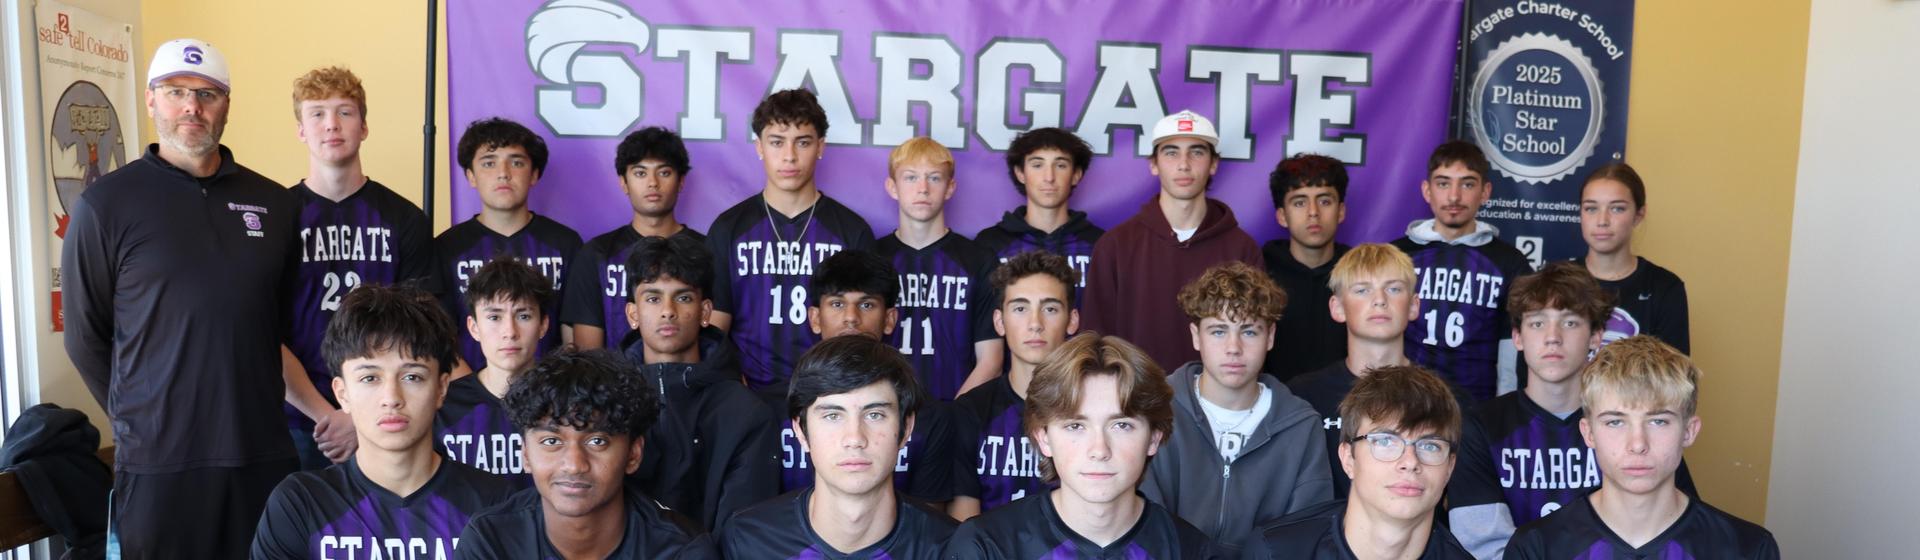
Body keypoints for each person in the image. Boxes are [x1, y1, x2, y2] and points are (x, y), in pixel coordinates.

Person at [62, 38, 299, 557]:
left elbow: (275, 325)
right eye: (175, 92)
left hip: (261, 453)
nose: (192, 106)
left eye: (207, 94)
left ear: (227, 105)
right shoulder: (105, 205)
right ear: (151, 100)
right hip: (160, 464)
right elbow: (84, 336)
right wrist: (139, 418)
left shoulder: (274, 203)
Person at [1444, 262, 1704, 559]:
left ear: (1596, 336)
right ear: (1517, 337)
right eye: (1537, 323)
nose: (1552, 337)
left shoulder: (1630, 426)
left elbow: (1683, 533)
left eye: (1569, 323)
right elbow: (1481, 549)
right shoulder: (1479, 426)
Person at [252, 285, 514, 559]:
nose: (391, 398)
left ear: (441, 388)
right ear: (342, 394)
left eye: (412, 377)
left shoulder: (495, 504)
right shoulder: (300, 504)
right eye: (370, 378)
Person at [279, 65, 435, 470]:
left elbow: (418, 330)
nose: (331, 124)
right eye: (317, 114)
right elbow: (262, 334)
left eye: (344, 112)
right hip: (298, 419)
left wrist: (361, 414)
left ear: (363, 127)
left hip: (386, 412)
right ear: (301, 130)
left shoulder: (403, 219)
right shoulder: (276, 218)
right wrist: (328, 415)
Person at [943, 334, 1220, 559]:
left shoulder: (1193, 552)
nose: (1099, 450)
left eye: (1121, 425)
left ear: (1154, 438)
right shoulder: (986, 547)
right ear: (1043, 438)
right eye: (1076, 426)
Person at [1505, 337, 1778, 559]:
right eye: (1615, 422)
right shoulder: (1536, 548)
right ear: (1588, 433)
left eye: (1658, 421)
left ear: (1689, 431)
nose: (1637, 444)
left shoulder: (1747, 549)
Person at [1141, 262, 1333, 555]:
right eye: (1218, 331)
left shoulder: (1301, 426)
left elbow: (1305, 536)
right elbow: (1141, 524)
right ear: (1196, 336)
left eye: (1249, 332)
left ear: (1270, 337)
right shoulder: (1155, 410)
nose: (1233, 347)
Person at [455, 350, 715, 558]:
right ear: (525, 454)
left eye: (597, 441)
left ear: (634, 454)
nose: (574, 464)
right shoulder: (490, 541)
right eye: (551, 441)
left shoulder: (680, 550)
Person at [716, 336, 958, 557]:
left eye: (874, 415)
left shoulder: (950, 547)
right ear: (800, 431)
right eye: (832, 416)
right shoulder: (747, 540)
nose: (854, 438)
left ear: (906, 427)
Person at [706, 88, 876, 391]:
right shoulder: (728, 228)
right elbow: (715, 325)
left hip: (827, 391)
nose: (789, 156)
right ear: (759, 147)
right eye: (777, 142)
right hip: (746, 392)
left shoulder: (851, 231)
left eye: (803, 142)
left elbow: (862, 326)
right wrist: (731, 384)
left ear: (820, 146)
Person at [775, 250, 961, 509]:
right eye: (837, 304)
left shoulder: (930, 416)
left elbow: (927, 523)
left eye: (867, 305)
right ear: (815, 318)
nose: (851, 317)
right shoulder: (769, 409)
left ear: (889, 319)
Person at [618, 234, 779, 529]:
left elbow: (743, 533)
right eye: (653, 298)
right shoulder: (606, 405)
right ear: (633, 314)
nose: (668, 311)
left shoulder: (747, 413)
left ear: (705, 312)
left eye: (683, 297)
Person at [1083, 109, 1263, 368]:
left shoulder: (1242, 248)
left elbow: (1254, 339)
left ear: (1213, 164)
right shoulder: (1115, 245)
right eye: (1171, 152)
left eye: (1197, 152)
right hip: (1136, 392)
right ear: (1153, 164)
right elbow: (1095, 342)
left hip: (1216, 393)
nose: (1184, 164)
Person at [1292, 244, 1469, 497]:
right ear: (1337, 307)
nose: (1379, 300)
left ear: (1413, 305)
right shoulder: (1301, 397)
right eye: (1362, 290)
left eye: (1393, 289)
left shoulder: (1450, 400)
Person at [1247, 366, 1473, 560]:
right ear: (1348, 458)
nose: (1410, 462)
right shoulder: (1275, 552)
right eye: (1385, 441)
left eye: (1430, 446)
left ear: (1450, 467)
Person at [435, 117, 582, 372]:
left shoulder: (565, 243)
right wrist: (472, 389)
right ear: (470, 176)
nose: (503, 173)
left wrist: (558, 386)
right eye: (489, 163)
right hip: (468, 388)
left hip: (549, 388)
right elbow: (438, 336)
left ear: (534, 174)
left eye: (516, 162)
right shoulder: (447, 247)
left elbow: (572, 334)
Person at [1391, 140, 1532, 402]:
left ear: (1485, 192)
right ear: (1427, 191)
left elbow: (1513, 345)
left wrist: (1505, 407)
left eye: (1467, 184)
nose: (1454, 196)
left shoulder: (1509, 261)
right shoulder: (1396, 255)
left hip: (1479, 407)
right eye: (1443, 183)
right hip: (1407, 401)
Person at [951, 250, 1082, 519]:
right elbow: (963, 526)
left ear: (1072, 320)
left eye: (1050, 309)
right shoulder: (969, 412)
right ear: (999, 322)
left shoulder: (1091, 411)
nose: (1035, 324)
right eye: (1020, 309)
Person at [875, 137, 1003, 399]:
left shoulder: (978, 260)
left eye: (934, 178)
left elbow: (991, 360)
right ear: (892, 187)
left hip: (958, 410)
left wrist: (954, 414)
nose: (923, 189)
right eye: (911, 177)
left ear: (950, 187)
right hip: (884, 411)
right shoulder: (872, 258)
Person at [562, 126, 708, 351]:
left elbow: (713, 339)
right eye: (640, 173)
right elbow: (588, 355)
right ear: (624, 182)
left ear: (681, 181)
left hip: (691, 373)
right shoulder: (596, 255)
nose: (653, 183)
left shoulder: (706, 251)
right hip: (612, 374)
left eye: (664, 172)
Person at [434, 257, 554, 489]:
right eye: (494, 317)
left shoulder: (564, 402)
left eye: (523, 316)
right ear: (474, 328)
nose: (510, 332)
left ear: (543, 325)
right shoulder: (444, 405)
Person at [973, 127, 1103, 309]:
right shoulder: (991, 244)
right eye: (1037, 165)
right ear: (1020, 173)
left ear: (1076, 175)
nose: (1049, 177)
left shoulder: (1100, 245)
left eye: (1060, 165)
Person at [1578, 162, 1690, 353]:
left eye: (1617, 208)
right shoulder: (1554, 281)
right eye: (1591, 208)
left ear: (1638, 215)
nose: (1602, 221)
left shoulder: (1665, 287)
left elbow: (1675, 370)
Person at [1261, 153, 1352, 381]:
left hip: (1348, 401)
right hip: (1274, 401)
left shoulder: (1360, 274)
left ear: (1341, 211)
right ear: (1282, 215)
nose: (1313, 212)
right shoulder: (1258, 272)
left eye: (1325, 201)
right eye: (1299, 202)